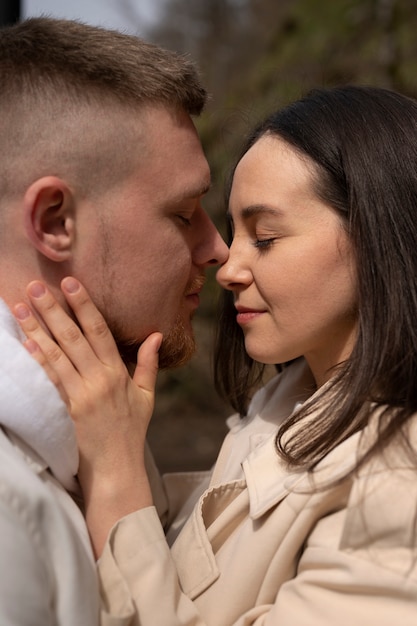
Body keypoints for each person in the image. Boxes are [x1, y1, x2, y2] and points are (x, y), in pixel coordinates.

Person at [15, 85, 417, 625]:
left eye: (266, 236)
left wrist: (115, 474)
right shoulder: (282, 411)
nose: (228, 267)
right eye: (234, 231)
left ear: (378, 236)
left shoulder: (397, 486)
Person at [0, 15, 227, 625]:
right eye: (183, 214)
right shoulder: (7, 509)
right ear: (53, 221)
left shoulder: (100, 425)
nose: (218, 248)